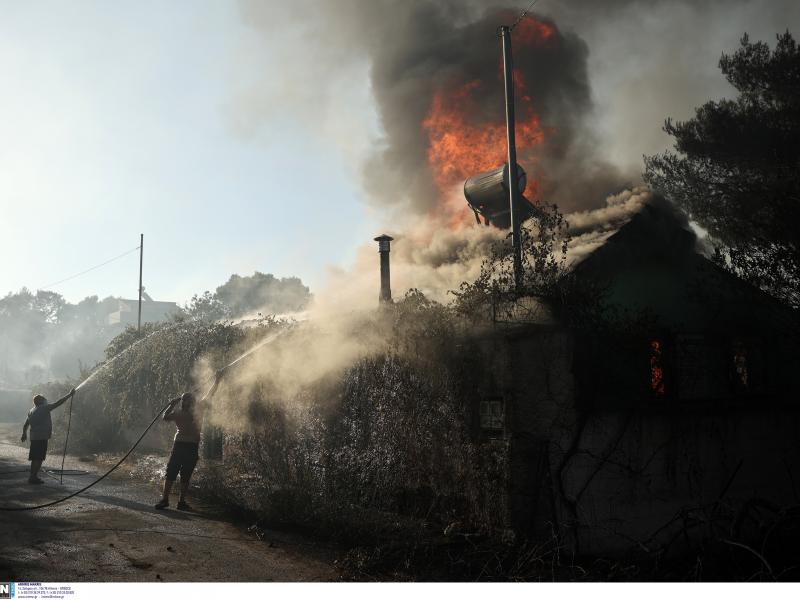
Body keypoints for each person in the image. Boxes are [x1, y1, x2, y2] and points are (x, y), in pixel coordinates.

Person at [155, 378, 220, 511]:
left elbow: (210, 393)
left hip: (191, 446)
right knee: (171, 472)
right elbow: (165, 417)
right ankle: (165, 500)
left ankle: (181, 502)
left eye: (189, 400)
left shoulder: (199, 409)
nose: (187, 402)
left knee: (186, 474)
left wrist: (217, 380)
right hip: (179, 445)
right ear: (183, 402)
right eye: (185, 400)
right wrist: (172, 404)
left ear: (193, 401)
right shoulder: (178, 413)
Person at [21, 389, 76, 484]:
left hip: (34, 437)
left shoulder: (31, 410)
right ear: (41, 401)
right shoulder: (44, 408)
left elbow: (26, 424)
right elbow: (58, 403)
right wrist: (69, 394)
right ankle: (33, 477)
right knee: (39, 458)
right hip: (41, 437)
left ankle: (32, 476)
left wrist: (24, 434)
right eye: (44, 399)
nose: (46, 400)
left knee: (35, 457)